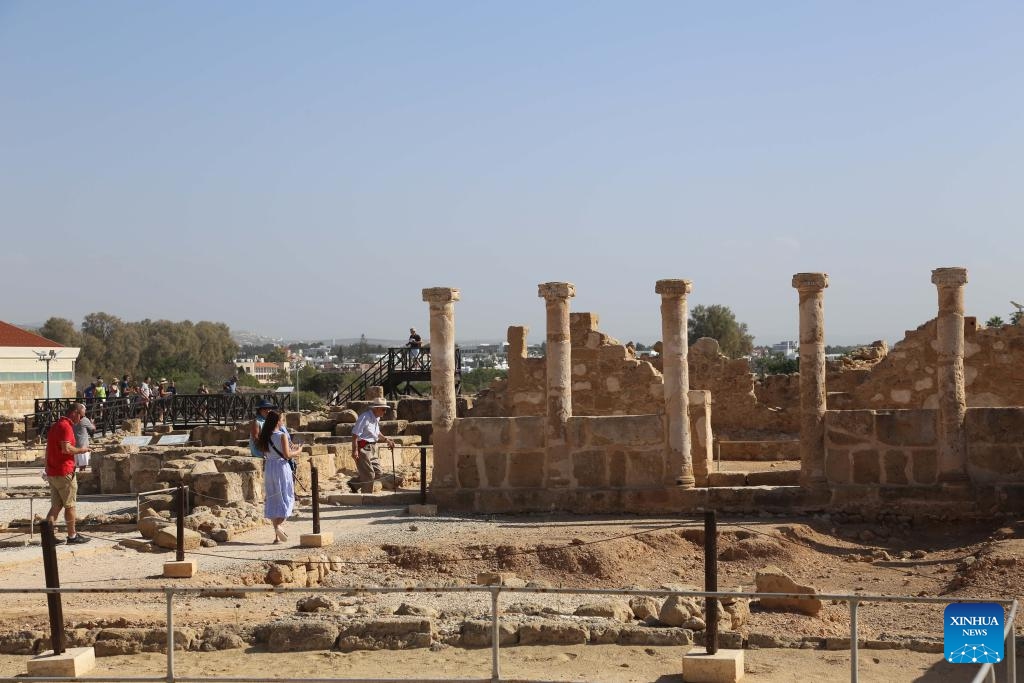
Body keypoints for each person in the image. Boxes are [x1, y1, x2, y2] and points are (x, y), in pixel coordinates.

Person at [45, 403, 91, 544]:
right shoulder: (66, 426)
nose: (82, 418)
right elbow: (66, 449)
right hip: (64, 471)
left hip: (53, 471)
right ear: (74, 413)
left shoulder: (55, 425)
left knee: (56, 506)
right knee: (70, 505)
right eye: (81, 415)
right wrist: (82, 450)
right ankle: (72, 536)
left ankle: (47, 536)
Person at [256, 410, 298, 543]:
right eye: (282, 420)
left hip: (269, 468)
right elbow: (287, 455)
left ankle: (276, 536)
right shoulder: (281, 435)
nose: (282, 422)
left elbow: (265, 452)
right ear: (278, 421)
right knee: (287, 496)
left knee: (273, 498)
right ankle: (279, 526)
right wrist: (298, 451)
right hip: (281, 467)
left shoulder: (264, 436)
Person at [350, 398, 395, 493]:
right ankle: (366, 497)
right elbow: (355, 434)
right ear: (376, 408)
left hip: (373, 447)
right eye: (383, 409)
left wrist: (387, 440)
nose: (385, 412)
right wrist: (355, 450)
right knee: (369, 475)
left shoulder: (376, 418)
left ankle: (354, 484)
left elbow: (377, 433)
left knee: (378, 472)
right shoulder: (364, 417)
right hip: (363, 447)